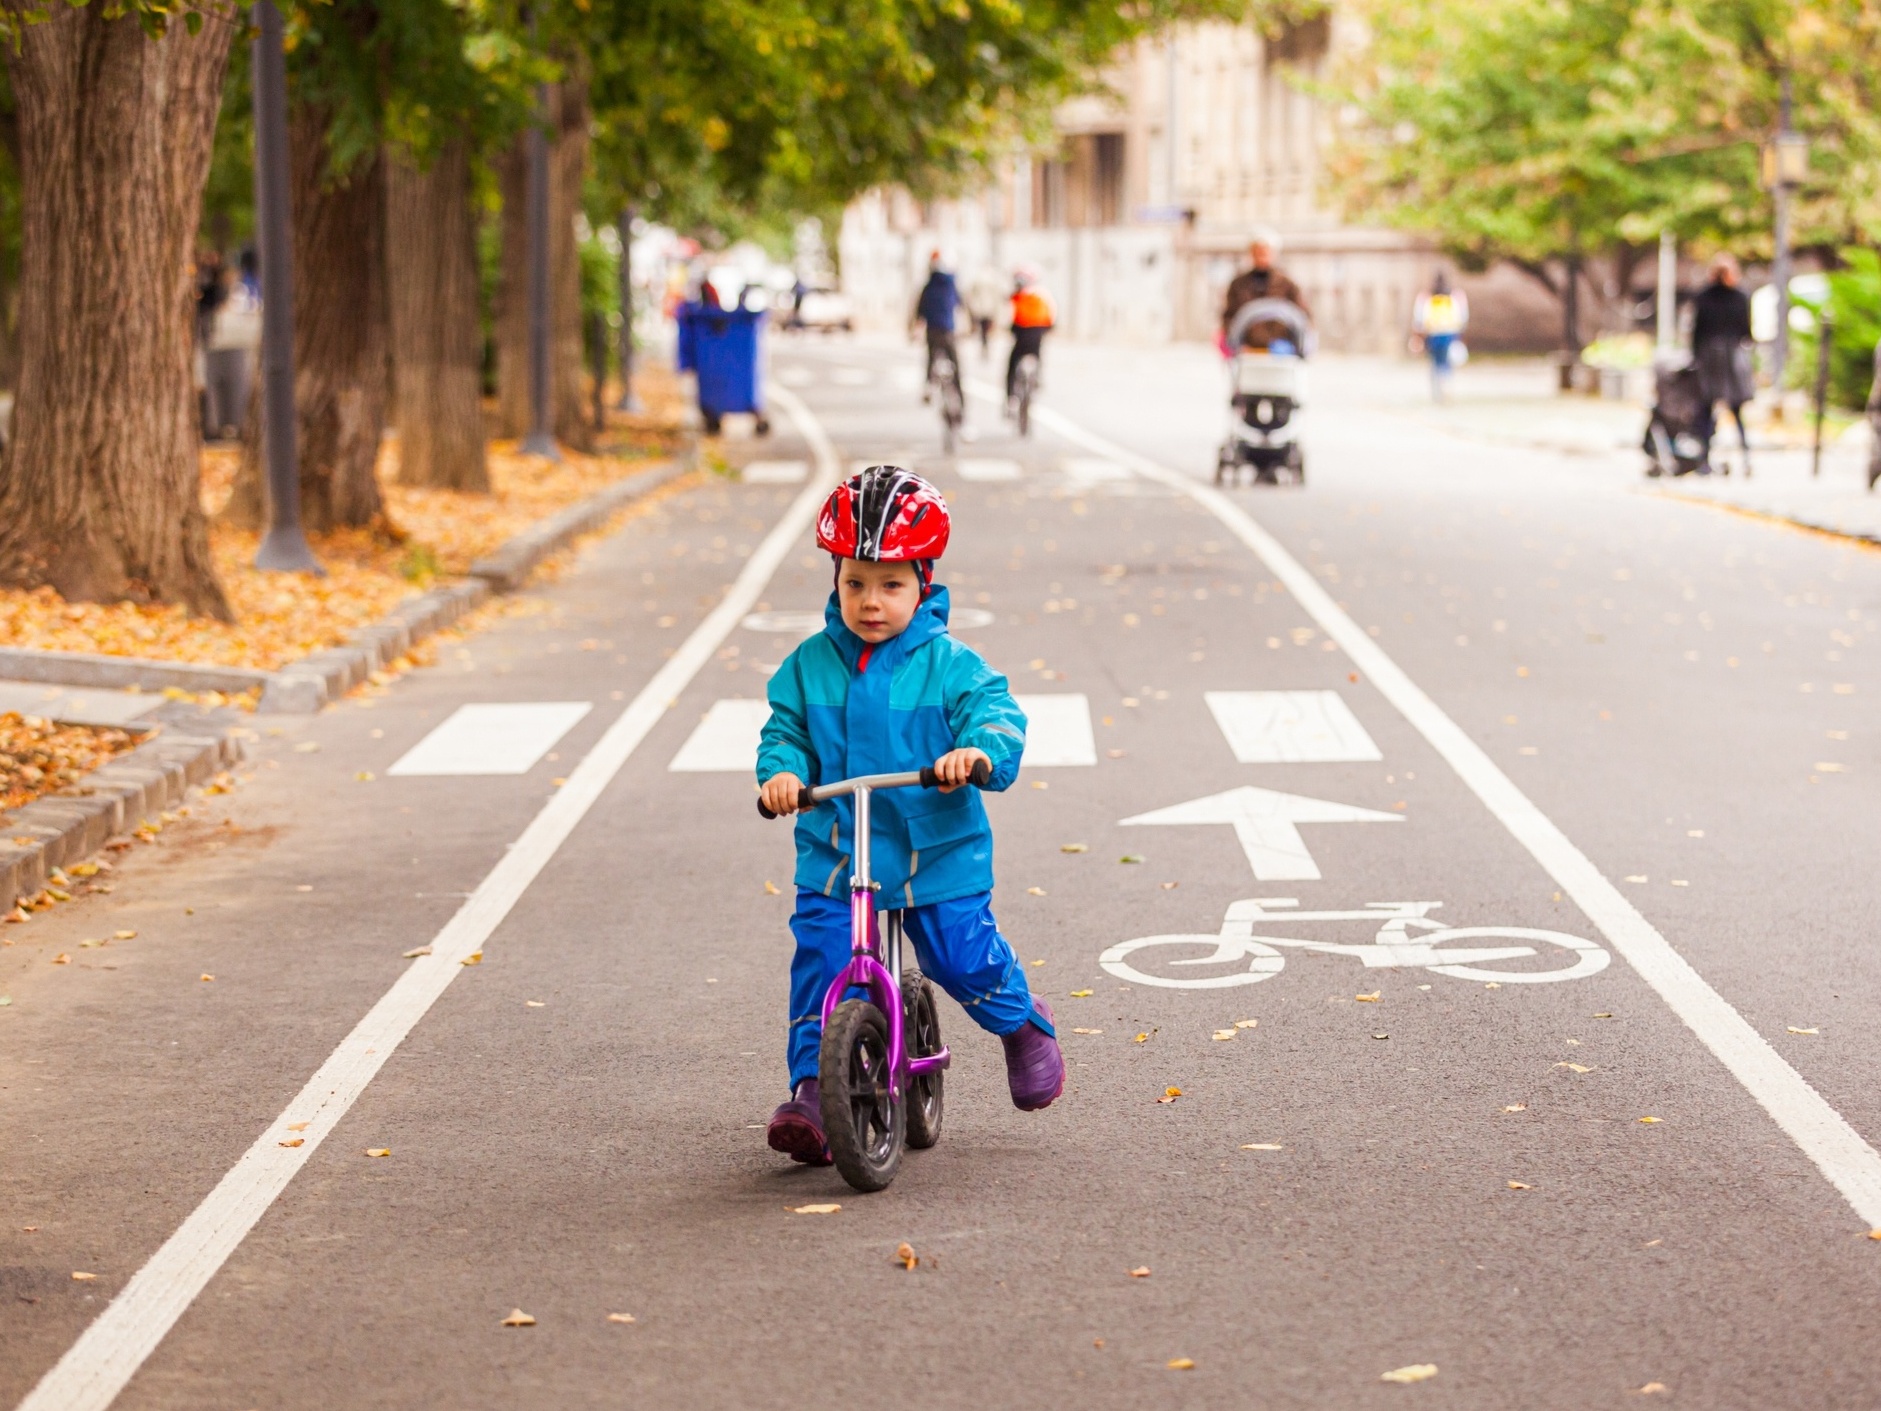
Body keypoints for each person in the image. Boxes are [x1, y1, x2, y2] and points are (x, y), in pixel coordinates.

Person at [758, 467, 1064, 1165]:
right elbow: (785, 732)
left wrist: (977, 752)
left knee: (959, 954)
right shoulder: (809, 666)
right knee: (822, 960)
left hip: (935, 847)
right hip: (840, 850)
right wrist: (781, 772)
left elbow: (995, 714)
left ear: (923, 584)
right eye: (855, 583)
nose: (871, 602)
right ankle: (812, 1089)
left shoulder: (950, 664)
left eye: (891, 584)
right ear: (834, 580)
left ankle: (1021, 1022)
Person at [1691, 254, 1754, 475]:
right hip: (1731, 357)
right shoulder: (1740, 297)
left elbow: (1696, 332)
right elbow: (1746, 331)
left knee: (1707, 410)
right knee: (1736, 411)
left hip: (1709, 357)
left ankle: (1704, 460)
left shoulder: (1703, 296)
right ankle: (1746, 459)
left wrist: (1695, 358)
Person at [1221, 228, 1310, 351]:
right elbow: (1228, 317)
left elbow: (1303, 316)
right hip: (1248, 350)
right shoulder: (1238, 285)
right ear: (1251, 253)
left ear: (1274, 253)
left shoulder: (1287, 284)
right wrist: (1236, 342)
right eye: (1257, 252)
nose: (1261, 256)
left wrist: (1294, 345)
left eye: (1265, 252)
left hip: (1282, 351)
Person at [909, 251, 961, 403]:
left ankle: (929, 385)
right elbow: (960, 306)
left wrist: (916, 330)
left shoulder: (928, 286)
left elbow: (920, 310)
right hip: (948, 330)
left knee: (931, 358)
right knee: (956, 366)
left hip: (932, 330)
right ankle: (961, 400)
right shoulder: (951, 285)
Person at [1410, 273, 1470, 402]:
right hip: (1450, 333)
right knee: (1446, 361)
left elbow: (1419, 318)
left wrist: (1417, 336)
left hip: (1433, 333)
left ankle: (1438, 388)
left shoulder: (1426, 297)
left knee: (1435, 361)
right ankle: (1446, 384)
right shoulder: (1454, 296)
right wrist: (1461, 336)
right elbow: (1462, 317)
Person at [1007, 266, 1055, 412]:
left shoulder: (1017, 295)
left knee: (1012, 363)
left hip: (1021, 334)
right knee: (1037, 354)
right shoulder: (1043, 294)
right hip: (1038, 333)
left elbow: (1009, 315)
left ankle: (1011, 397)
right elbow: (1052, 315)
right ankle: (1037, 377)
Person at [964, 264, 1006, 359]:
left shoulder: (978, 282)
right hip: (987, 310)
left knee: (983, 331)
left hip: (981, 309)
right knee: (985, 331)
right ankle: (985, 347)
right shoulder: (992, 283)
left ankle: (984, 347)